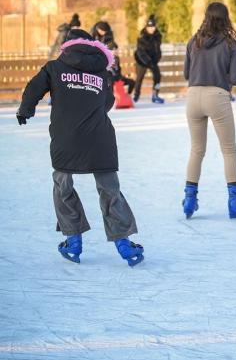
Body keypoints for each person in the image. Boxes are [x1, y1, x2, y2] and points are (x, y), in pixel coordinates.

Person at [16, 29, 145, 267]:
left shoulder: (54, 67)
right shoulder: (101, 71)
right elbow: (108, 101)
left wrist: (26, 110)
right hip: (100, 138)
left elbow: (34, 88)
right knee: (109, 189)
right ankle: (124, 244)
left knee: (62, 185)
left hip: (66, 138)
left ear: (67, 45)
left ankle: (73, 241)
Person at [182, 2, 236, 219]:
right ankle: (235, 200)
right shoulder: (230, 43)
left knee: (197, 150)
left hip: (193, 96)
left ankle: (189, 199)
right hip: (217, 96)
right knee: (229, 150)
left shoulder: (193, 41)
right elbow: (235, 78)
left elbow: (187, 73)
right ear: (226, 18)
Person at [92, 21, 135, 94]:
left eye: (104, 31)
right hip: (100, 69)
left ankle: (127, 96)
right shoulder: (93, 38)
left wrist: (118, 75)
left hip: (113, 73)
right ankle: (109, 97)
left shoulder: (110, 41)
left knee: (130, 82)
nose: (102, 32)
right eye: (100, 30)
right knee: (109, 79)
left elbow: (116, 68)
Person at [133, 15, 164, 103]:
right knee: (139, 78)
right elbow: (141, 52)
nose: (151, 29)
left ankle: (155, 94)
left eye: (153, 27)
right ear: (146, 27)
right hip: (142, 60)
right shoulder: (142, 37)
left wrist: (157, 58)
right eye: (149, 27)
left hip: (153, 60)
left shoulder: (157, 36)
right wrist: (148, 61)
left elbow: (157, 49)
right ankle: (136, 95)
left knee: (158, 76)